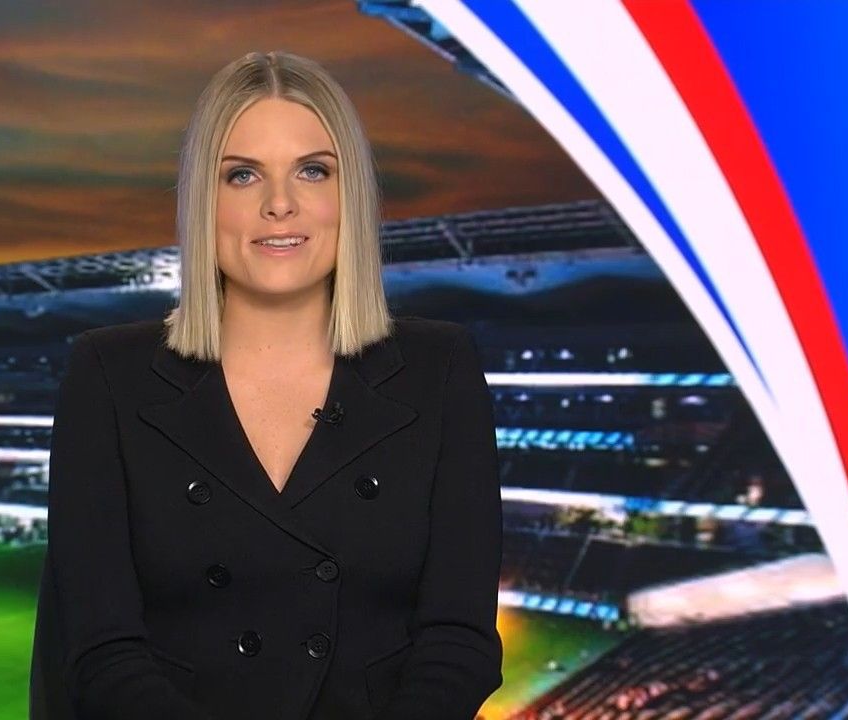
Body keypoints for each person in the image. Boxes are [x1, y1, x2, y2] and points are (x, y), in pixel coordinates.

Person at [29, 50, 504, 720]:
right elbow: (100, 650)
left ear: (349, 195)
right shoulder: (107, 374)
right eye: (243, 175)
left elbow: (459, 639)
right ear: (204, 201)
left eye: (313, 170)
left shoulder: (441, 367)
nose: (280, 204)